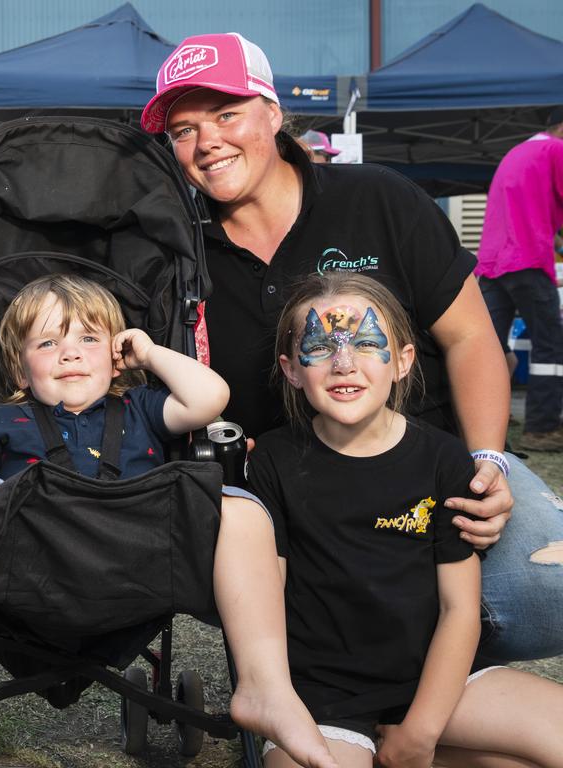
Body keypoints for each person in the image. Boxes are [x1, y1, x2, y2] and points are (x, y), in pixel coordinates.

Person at [141, 32, 563, 665]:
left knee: (546, 593)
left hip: (432, 460)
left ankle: (411, 689)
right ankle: (376, 691)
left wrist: (487, 461)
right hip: (290, 491)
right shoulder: (173, 252)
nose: (207, 144)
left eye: (226, 115)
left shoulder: (378, 199)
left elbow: (472, 337)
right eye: (182, 130)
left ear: (273, 113)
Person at [0, 274, 339, 768]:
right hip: (30, 563)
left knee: (244, 510)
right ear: (19, 370)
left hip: (139, 563)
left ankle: (265, 685)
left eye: (88, 338)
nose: (70, 352)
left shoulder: (141, 409)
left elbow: (211, 398)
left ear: (115, 356)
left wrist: (147, 354)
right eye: (47, 342)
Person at [249, 271, 563, 766]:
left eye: (368, 343)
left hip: (438, 683)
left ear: (402, 361)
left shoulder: (443, 458)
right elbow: (263, 606)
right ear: (291, 370)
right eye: (322, 347)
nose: (344, 363)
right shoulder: (270, 462)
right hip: (322, 700)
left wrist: (420, 734)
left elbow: (461, 611)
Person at [476, 106, 563, 451]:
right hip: (526, 258)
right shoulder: (555, 150)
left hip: (493, 262)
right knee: (549, 347)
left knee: (486, 348)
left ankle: (473, 423)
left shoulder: (520, 150)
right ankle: (542, 428)